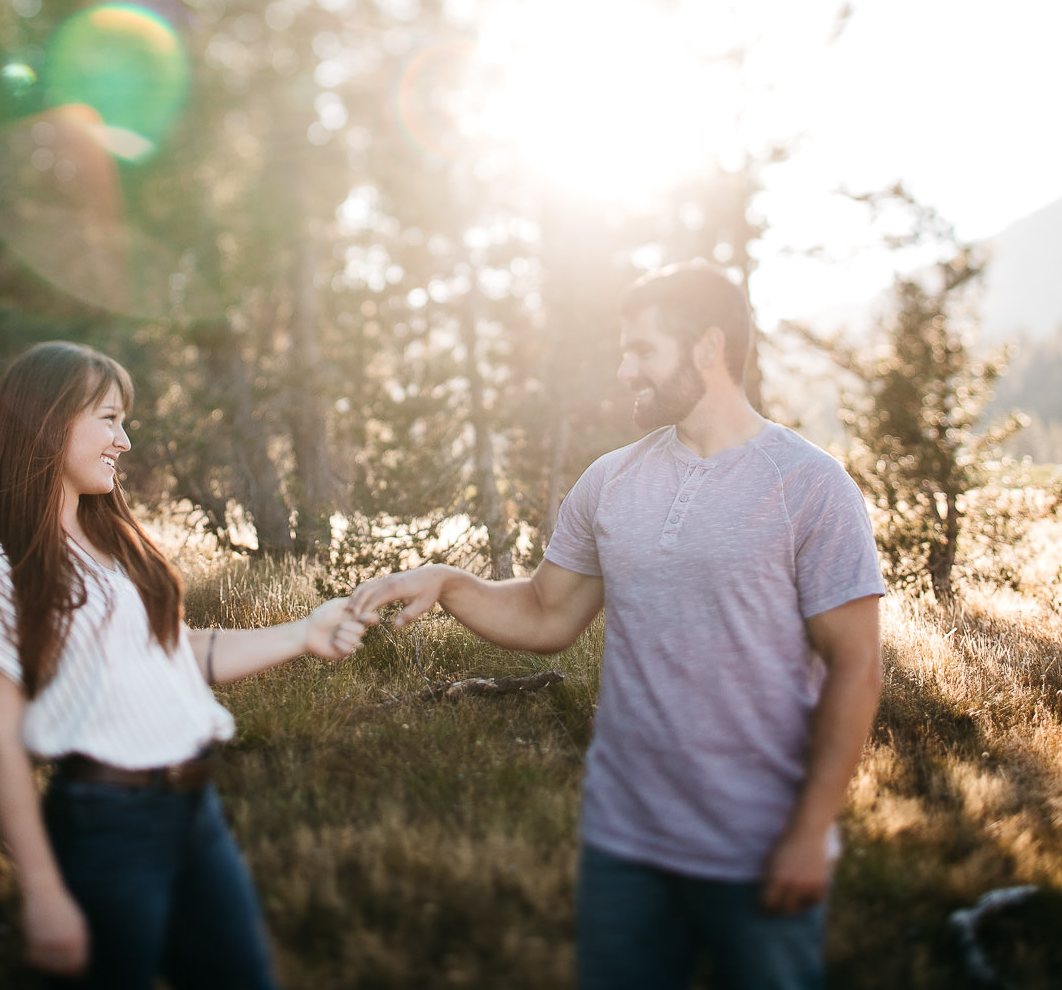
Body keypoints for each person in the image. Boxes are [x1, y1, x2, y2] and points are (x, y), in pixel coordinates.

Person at [350, 263, 885, 990]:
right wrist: (447, 583)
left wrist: (811, 829)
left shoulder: (810, 486)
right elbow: (547, 612)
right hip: (622, 846)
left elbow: (855, 666)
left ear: (707, 349)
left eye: (642, 350)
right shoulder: (610, 481)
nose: (624, 367)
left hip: (758, 845)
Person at [0, 341, 366, 988]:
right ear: (48, 421)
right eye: (109, 419)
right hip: (105, 827)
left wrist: (304, 633)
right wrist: (44, 894)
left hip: (196, 810)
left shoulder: (108, 537)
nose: (125, 441)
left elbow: (178, 653)